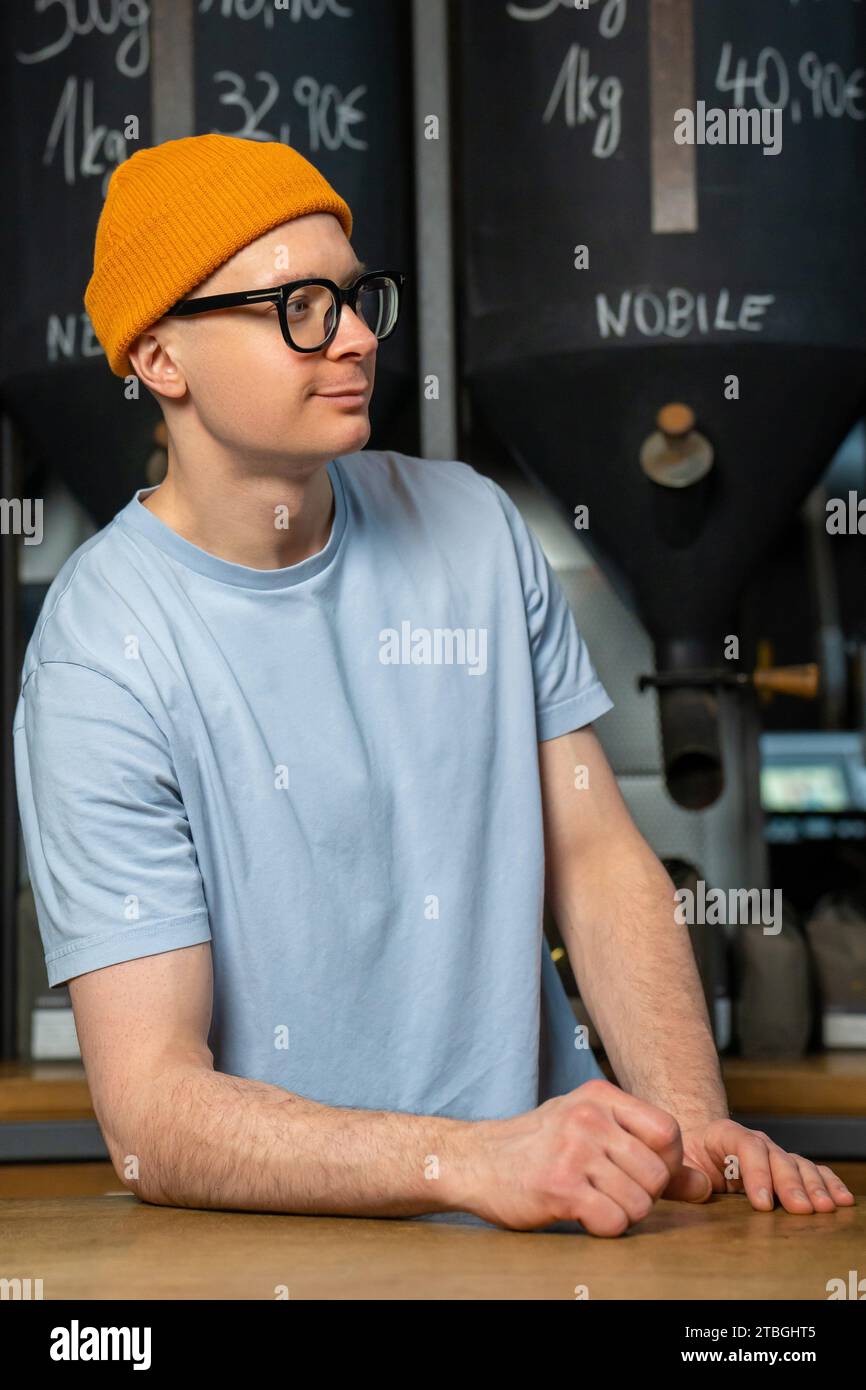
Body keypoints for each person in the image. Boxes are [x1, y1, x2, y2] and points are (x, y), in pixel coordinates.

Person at [13, 134, 854, 1234]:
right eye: (298, 307)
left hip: (561, 1235)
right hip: (291, 1268)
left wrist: (686, 1118)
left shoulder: (470, 528)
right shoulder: (100, 659)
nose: (356, 336)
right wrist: (464, 1161)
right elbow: (152, 1112)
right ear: (161, 358)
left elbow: (594, 853)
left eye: (357, 298)